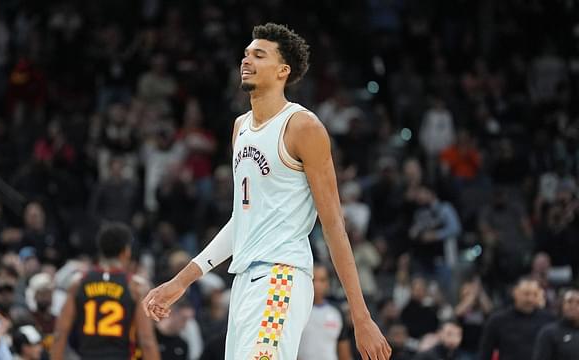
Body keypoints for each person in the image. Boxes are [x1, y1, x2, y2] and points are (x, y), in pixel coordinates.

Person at [143, 22, 391, 360]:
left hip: (281, 276)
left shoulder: (303, 126)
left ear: (282, 71)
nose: (246, 60)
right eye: (246, 54)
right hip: (244, 282)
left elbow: (333, 225)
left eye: (259, 55)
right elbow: (241, 221)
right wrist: (183, 280)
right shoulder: (240, 127)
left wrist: (360, 316)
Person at [51, 223, 160, 360]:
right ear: (126, 251)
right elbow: (146, 341)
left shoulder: (78, 282)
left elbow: (60, 334)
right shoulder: (136, 287)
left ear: (100, 249)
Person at [478, 277, 554, 360]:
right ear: (515, 292)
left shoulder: (548, 319)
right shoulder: (497, 320)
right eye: (526, 294)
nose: (530, 299)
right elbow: (485, 353)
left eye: (535, 294)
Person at [298, 264, 352, 360]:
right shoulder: (296, 310)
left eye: (322, 280)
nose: (317, 285)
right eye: (313, 280)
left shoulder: (337, 312)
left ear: (327, 283)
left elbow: (344, 353)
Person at [532, 288, 579, 360]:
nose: (573, 306)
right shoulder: (549, 333)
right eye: (569, 302)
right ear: (562, 305)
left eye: (578, 302)